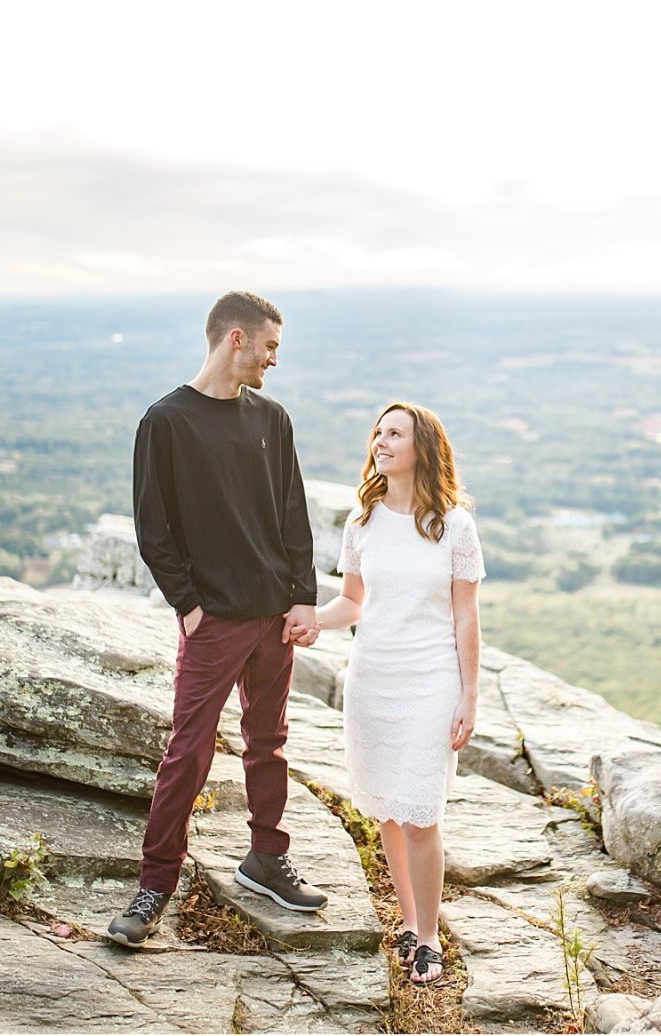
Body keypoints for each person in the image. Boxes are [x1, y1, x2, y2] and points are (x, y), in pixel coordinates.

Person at [108, 290, 326, 948]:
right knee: (188, 751)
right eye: (269, 347)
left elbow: (293, 513)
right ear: (236, 339)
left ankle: (266, 860)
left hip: (273, 617)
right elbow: (155, 528)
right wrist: (191, 607)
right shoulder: (167, 421)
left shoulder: (272, 418)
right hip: (215, 622)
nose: (273, 360)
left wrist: (304, 595)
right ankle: (155, 887)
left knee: (270, 743)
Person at [303, 402, 484, 985]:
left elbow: (465, 617)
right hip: (372, 680)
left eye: (395, 433)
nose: (381, 441)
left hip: (431, 681)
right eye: (378, 432)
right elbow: (352, 603)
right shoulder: (364, 520)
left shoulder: (454, 525)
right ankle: (408, 922)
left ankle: (430, 937)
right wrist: (310, 621)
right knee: (386, 810)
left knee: (421, 813)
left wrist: (469, 694)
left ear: (421, 447)